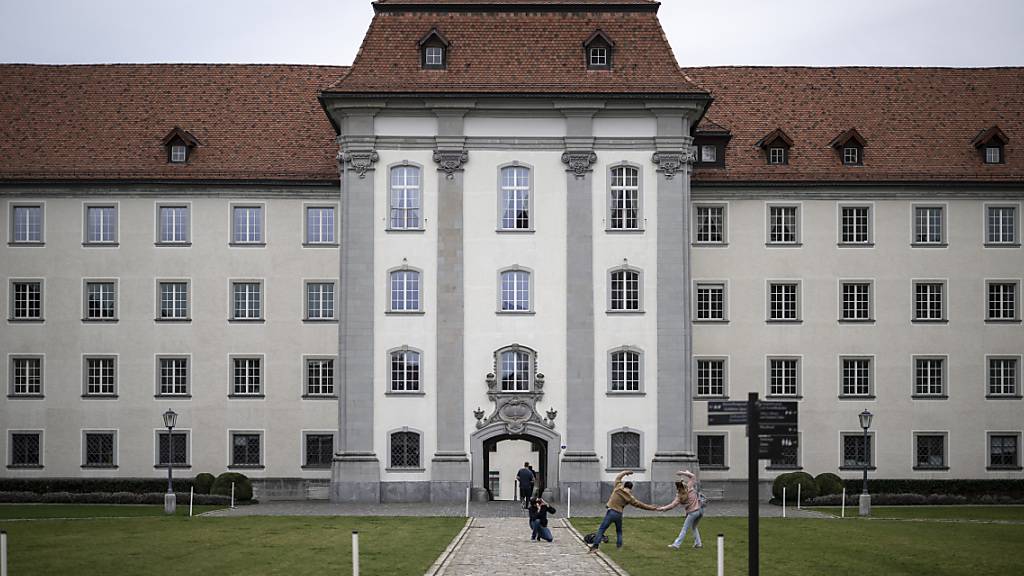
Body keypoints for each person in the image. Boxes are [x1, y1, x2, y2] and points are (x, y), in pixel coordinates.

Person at [588, 470, 658, 553]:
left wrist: (626, 472)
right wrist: (651, 508)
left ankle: (595, 546)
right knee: (619, 531)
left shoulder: (618, 487)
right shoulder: (630, 498)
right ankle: (619, 547)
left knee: (602, 529)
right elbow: (640, 505)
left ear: (624, 485)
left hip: (611, 512)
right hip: (619, 514)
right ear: (631, 488)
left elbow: (618, 477)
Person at [657, 470, 703, 549]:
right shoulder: (689, 488)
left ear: (678, 489)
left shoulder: (679, 497)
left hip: (692, 513)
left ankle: (676, 545)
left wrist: (662, 508)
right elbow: (693, 477)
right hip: (700, 511)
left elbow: (672, 505)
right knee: (694, 527)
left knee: (684, 528)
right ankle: (698, 544)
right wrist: (683, 473)